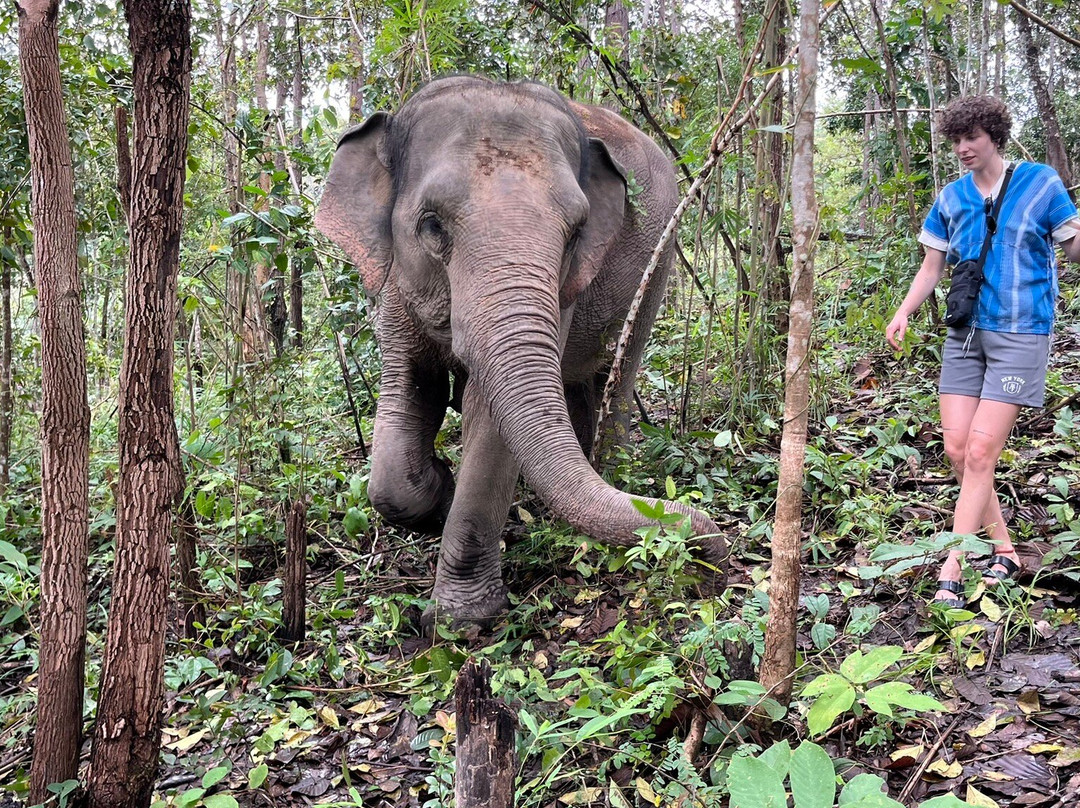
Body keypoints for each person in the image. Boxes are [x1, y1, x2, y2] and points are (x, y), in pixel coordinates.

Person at [885, 95, 1080, 608]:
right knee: (956, 448)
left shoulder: (1039, 183)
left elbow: (1071, 245)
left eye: (972, 138)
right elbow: (932, 267)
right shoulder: (951, 197)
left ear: (994, 134)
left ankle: (952, 565)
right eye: (956, 140)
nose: (963, 149)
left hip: (1021, 333)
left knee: (979, 451)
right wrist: (903, 312)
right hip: (965, 333)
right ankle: (1006, 550)